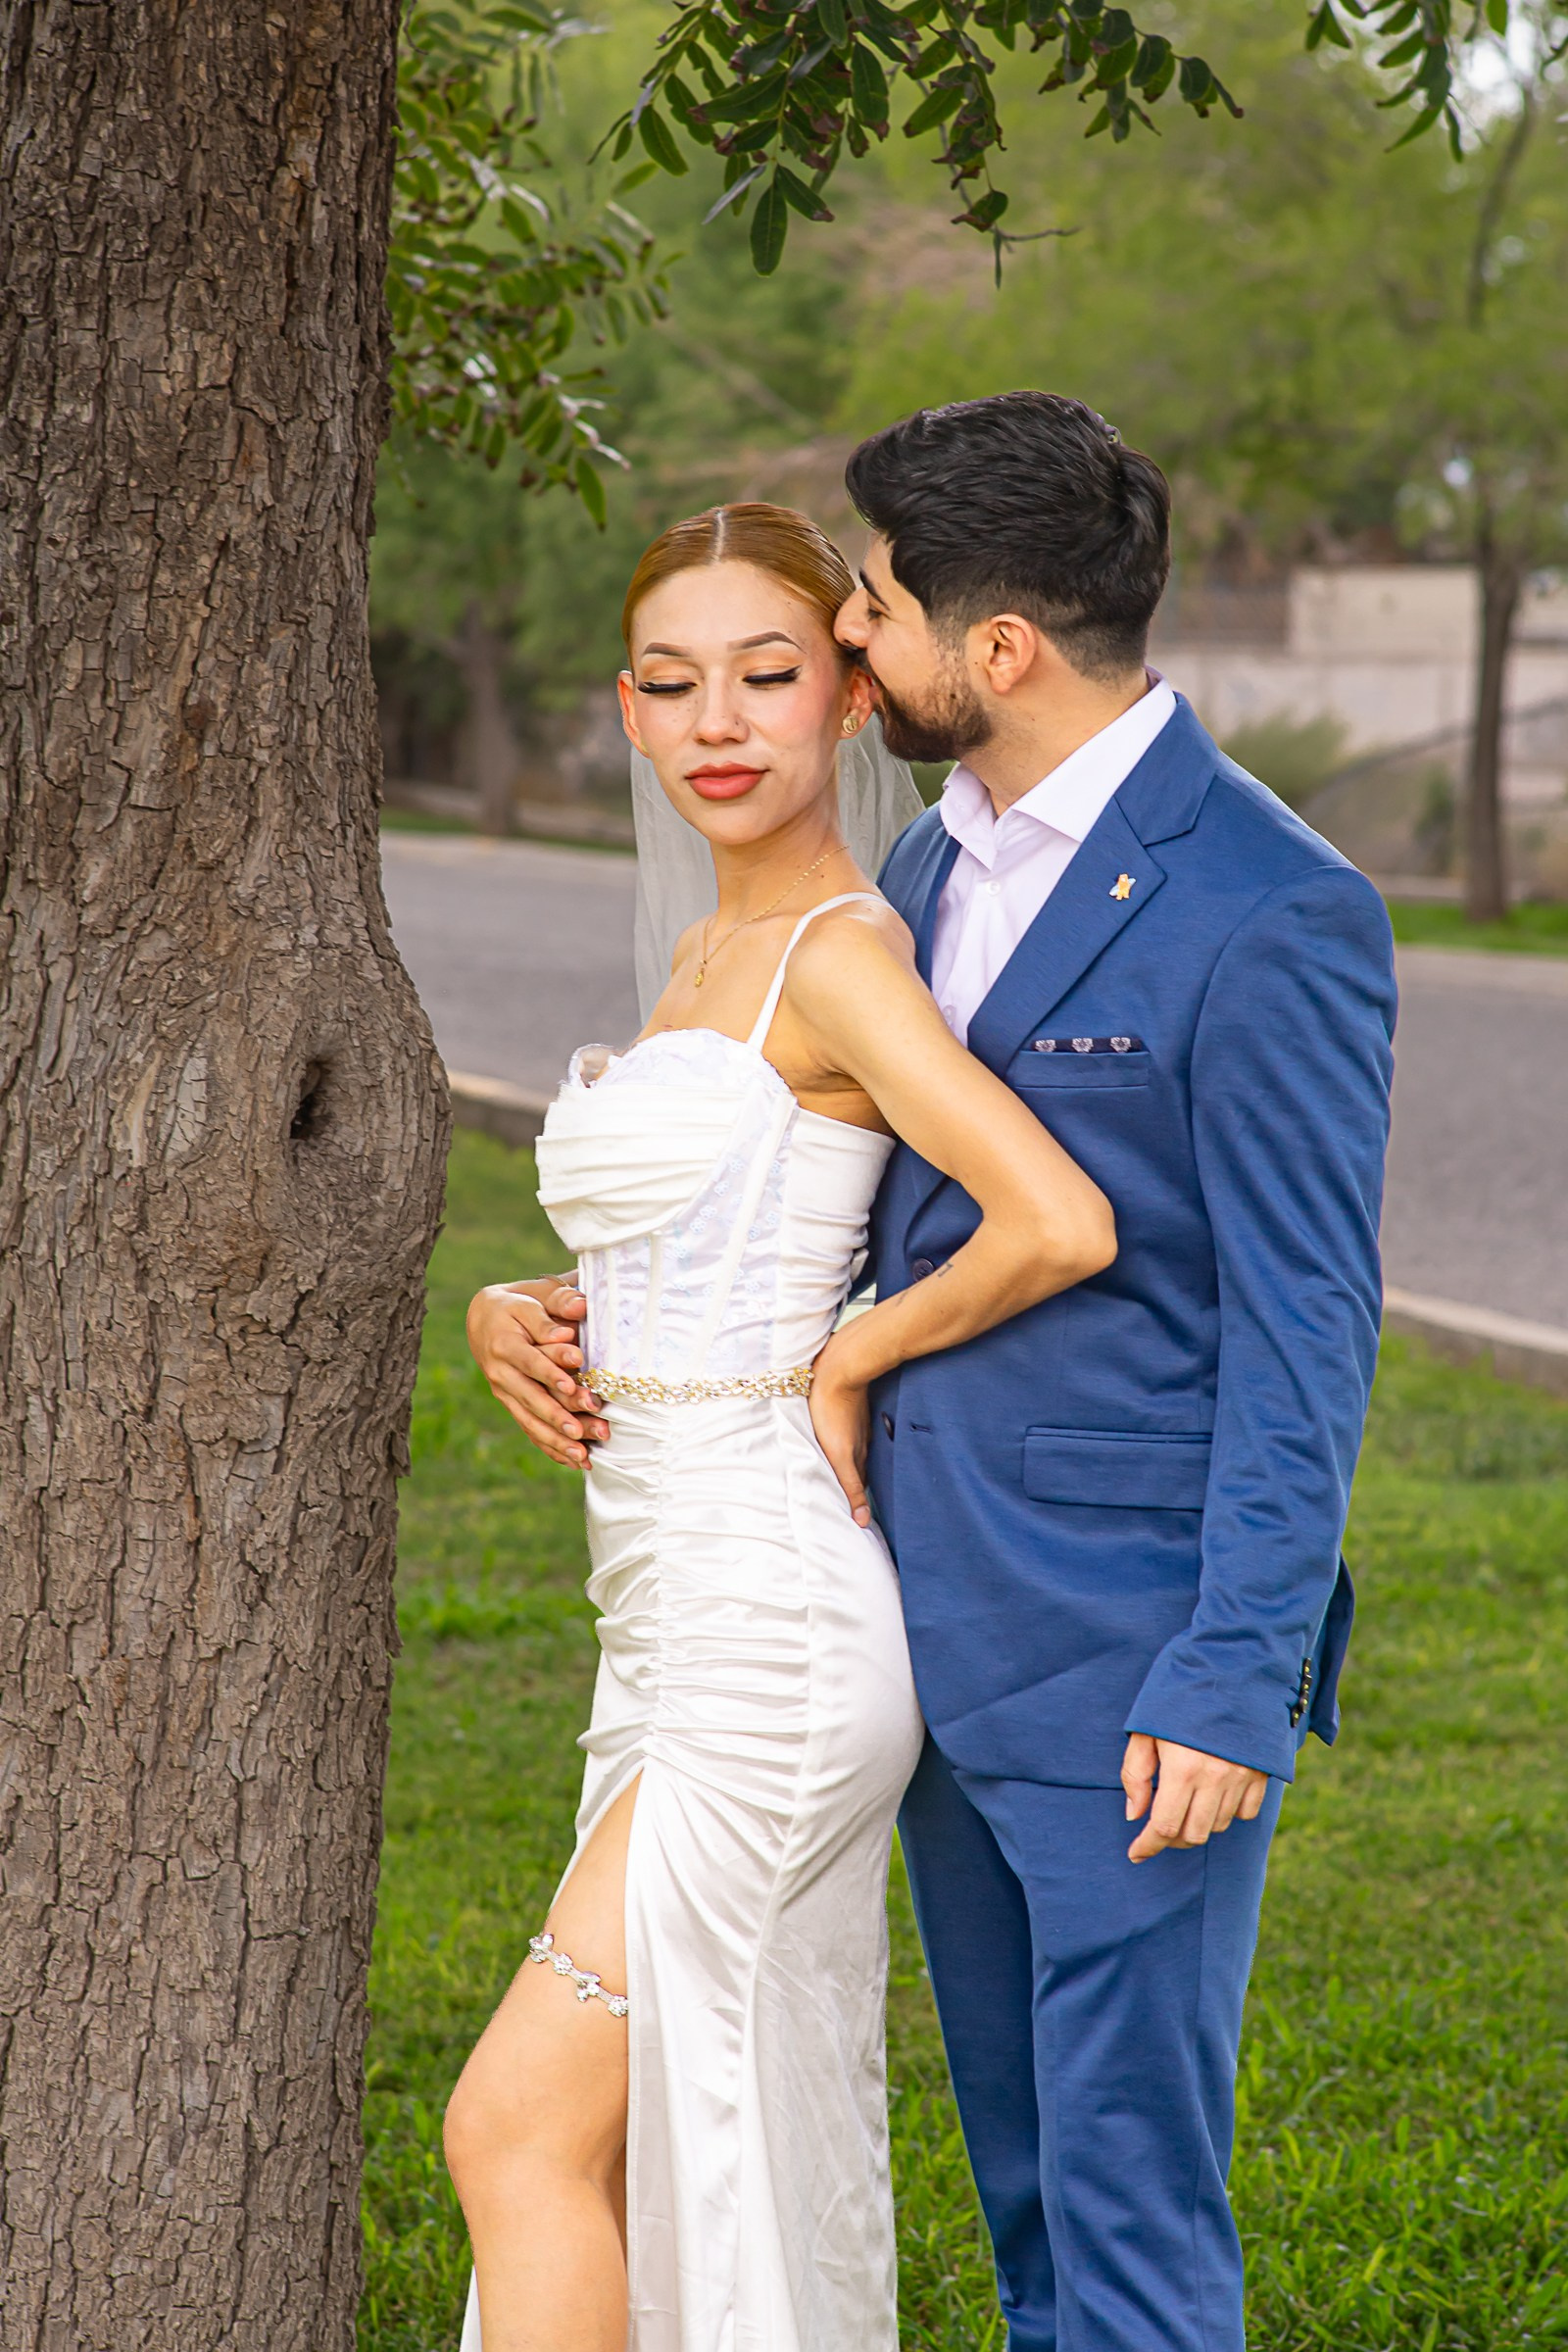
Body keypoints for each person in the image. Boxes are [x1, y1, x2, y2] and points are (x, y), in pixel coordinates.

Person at [476, 394, 1397, 2352]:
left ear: (995, 651)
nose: (851, 641)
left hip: (1132, 1659)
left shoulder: (1267, 906)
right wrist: (577, 1304)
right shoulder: (913, 882)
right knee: (1026, 2197)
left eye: (870, 608)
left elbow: (1304, 1325)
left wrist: (1228, 1676)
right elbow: (792, 1181)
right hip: (915, 1619)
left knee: (1131, 2211)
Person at [443, 498, 1118, 2352]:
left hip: (773, 1624)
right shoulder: (698, 964)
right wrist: (526, 1300)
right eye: (675, 683)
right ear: (631, 714)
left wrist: (848, 1355)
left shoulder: (835, 954)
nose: (719, 718)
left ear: (842, 694)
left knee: (512, 2126)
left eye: (767, 672)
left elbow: (1056, 1216)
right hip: (659, 1609)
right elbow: (698, 1222)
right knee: (667, 2149)